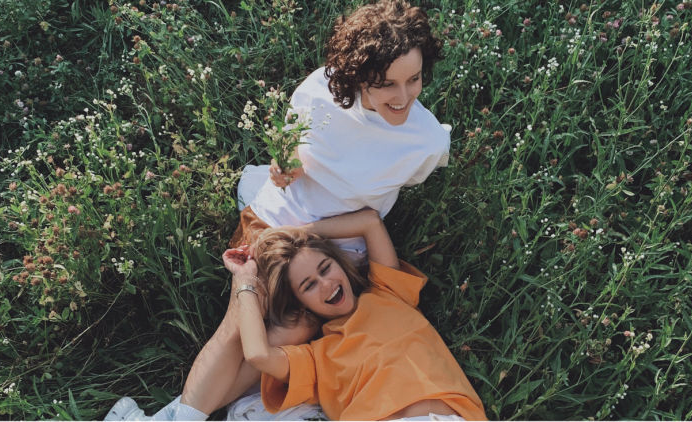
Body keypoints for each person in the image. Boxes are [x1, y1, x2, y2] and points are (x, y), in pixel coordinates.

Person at [105, 0, 449, 419]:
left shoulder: (427, 143)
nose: (403, 97)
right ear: (358, 75)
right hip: (278, 221)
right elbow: (288, 140)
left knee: (290, 334)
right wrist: (282, 165)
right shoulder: (321, 90)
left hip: (338, 245)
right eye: (386, 84)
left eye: (413, 80)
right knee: (241, 320)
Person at [225, 208, 486, 420]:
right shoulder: (316, 359)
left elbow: (369, 222)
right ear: (300, 304)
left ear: (340, 263)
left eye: (325, 268)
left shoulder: (389, 292)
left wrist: (294, 234)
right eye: (309, 285)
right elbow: (259, 355)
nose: (326, 284)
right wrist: (245, 280)